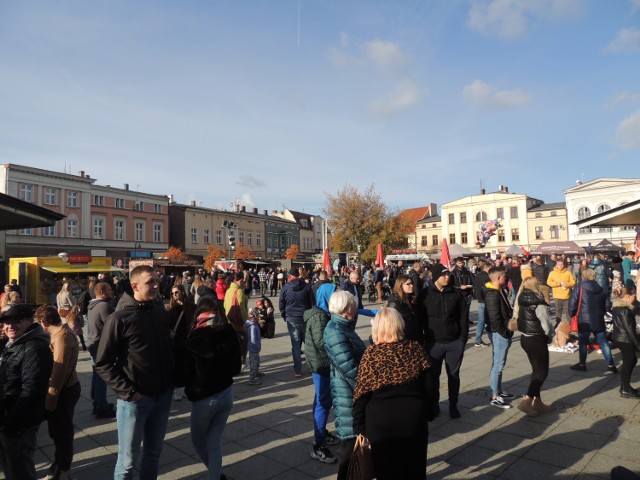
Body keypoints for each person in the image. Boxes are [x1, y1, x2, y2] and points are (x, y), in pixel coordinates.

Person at [95, 265, 175, 480]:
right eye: (151, 282)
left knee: (153, 453)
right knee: (127, 460)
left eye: (157, 281)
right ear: (135, 285)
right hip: (136, 400)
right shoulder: (119, 318)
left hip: (163, 395)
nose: (157, 286)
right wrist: (129, 393)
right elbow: (102, 363)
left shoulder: (160, 312)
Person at [353, 307, 436, 480]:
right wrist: (430, 410)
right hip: (413, 418)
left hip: (381, 423)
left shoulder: (371, 354)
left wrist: (359, 425)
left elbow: (361, 393)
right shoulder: (415, 348)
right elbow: (430, 384)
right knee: (414, 467)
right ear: (400, 325)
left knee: (386, 470)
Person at [183, 296, 241, 480]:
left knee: (198, 440)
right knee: (214, 442)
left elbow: (184, 373)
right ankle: (217, 475)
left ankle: (215, 474)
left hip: (204, 398)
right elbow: (236, 367)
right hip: (226, 394)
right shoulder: (229, 331)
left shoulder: (194, 337)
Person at [0, 304, 53, 480]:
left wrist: (10, 424)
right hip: (9, 417)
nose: (10, 326)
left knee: (20, 470)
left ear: (30, 322)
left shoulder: (34, 347)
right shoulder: (14, 343)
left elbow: (31, 390)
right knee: (11, 468)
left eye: (16, 321)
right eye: (6, 322)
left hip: (19, 423)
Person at [323, 291, 366, 480]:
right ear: (345, 308)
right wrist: (368, 384)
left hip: (351, 391)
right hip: (348, 394)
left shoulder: (343, 326)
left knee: (353, 446)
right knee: (350, 448)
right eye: (353, 304)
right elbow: (349, 367)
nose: (356, 307)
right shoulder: (335, 330)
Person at [35, 306, 81, 480]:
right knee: (60, 431)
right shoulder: (63, 332)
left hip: (64, 390)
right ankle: (61, 466)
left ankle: (62, 470)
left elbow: (58, 373)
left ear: (43, 322)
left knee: (62, 433)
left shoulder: (61, 337)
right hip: (68, 387)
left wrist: (50, 402)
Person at [422, 263, 468, 419]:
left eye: (448, 274)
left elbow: (463, 317)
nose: (447, 277)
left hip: (454, 343)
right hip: (433, 343)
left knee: (453, 376)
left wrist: (462, 339)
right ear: (435, 277)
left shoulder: (456, 294)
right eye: (444, 275)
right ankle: (433, 406)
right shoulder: (425, 294)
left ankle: (453, 406)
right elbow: (420, 320)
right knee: (433, 378)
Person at [304, 283, 340, 464]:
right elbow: (321, 342)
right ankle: (318, 446)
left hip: (321, 364)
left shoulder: (323, 313)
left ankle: (322, 433)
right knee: (323, 403)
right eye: (335, 294)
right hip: (321, 365)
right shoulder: (319, 317)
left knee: (321, 400)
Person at [514, 277, 555, 417]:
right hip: (537, 338)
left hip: (525, 338)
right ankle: (527, 400)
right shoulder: (538, 301)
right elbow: (546, 323)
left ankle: (537, 402)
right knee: (542, 371)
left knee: (536, 370)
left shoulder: (522, 298)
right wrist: (551, 334)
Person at [568, 268, 617, 373]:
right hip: (598, 319)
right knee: (603, 342)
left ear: (584, 276)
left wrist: (572, 314)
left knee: (583, 342)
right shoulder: (600, 288)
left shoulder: (579, 287)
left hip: (584, 320)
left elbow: (572, 303)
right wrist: (601, 312)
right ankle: (611, 364)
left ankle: (582, 364)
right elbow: (608, 305)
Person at [485, 266, 516, 409]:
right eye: (504, 277)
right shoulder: (492, 294)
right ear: (498, 278)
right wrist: (505, 332)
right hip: (499, 333)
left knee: (499, 364)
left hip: (502, 332)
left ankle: (498, 391)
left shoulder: (500, 290)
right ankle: (494, 396)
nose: (506, 278)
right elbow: (494, 318)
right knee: (498, 365)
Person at [86, 282, 116, 418]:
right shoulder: (104, 306)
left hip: (94, 343)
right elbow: (112, 326)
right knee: (102, 376)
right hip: (100, 346)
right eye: (109, 289)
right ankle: (101, 406)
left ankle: (97, 403)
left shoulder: (92, 305)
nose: (111, 291)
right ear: (102, 291)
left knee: (97, 375)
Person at [279, 267, 314, 377]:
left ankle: (297, 370)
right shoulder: (307, 286)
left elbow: (281, 303)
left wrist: (285, 315)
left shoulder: (285, 287)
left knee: (295, 344)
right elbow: (312, 302)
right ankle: (311, 367)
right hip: (305, 317)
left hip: (292, 318)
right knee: (308, 343)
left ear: (290, 276)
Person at [610, 287, 640, 398]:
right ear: (627, 296)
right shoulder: (625, 310)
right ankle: (625, 389)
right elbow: (629, 330)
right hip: (625, 340)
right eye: (634, 296)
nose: (635, 298)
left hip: (619, 338)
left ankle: (625, 387)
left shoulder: (618, 307)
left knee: (631, 361)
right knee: (628, 363)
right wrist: (637, 345)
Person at [167, 284, 195, 402]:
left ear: (182, 292)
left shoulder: (191, 306)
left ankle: (183, 387)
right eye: (173, 293)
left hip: (188, 339)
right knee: (177, 364)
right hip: (175, 341)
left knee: (186, 364)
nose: (175, 295)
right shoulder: (169, 308)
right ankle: (177, 389)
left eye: (177, 292)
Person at [386, 273, 424, 345]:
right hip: (402, 341)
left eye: (412, 283)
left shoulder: (412, 300)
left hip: (415, 339)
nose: (412, 286)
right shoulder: (394, 303)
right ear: (400, 286)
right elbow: (390, 325)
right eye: (408, 284)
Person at [224, 272, 249, 368]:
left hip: (229, 320)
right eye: (241, 280)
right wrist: (244, 322)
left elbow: (225, 305)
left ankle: (234, 363)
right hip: (238, 322)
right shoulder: (239, 292)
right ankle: (242, 362)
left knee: (234, 343)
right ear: (235, 280)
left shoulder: (228, 290)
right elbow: (242, 309)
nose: (243, 281)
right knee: (243, 341)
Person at [547, 258, 576, 327]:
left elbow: (573, 282)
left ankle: (571, 325)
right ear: (556, 265)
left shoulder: (568, 272)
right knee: (558, 312)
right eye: (559, 264)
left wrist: (567, 284)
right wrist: (556, 284)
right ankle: (558, 325)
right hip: (557, 296)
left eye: (562, 264)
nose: (560, 266)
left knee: (568, 312)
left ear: (564, 265)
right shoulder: (552, 273)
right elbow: (548, 282)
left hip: (567, 295)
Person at [472, 261, 492, 347]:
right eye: (490, 268)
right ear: (486, 267)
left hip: (479, 300)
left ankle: (478, 340)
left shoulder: (477, 276)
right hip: (486, 300)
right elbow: (489, 289)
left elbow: (475, 287)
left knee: (481, 321)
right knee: (485, 321)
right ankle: (479, 340)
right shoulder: (487, 277)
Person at [245, 307, 262, 385]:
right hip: (254, 348)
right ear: (253, 318)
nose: (258, 318)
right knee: (254, 363)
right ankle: (251, 379)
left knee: (257, 361)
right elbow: (253, 338)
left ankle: (256, 373)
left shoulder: (254, 325)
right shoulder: (252, 326)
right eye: (257, 317)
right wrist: (255, 346)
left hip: (255, 347)